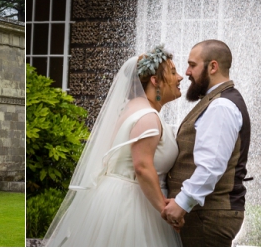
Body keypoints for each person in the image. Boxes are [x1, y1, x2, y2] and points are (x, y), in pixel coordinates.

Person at [43, 44, 184, 247]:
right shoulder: (147, 117)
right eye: (173, 72)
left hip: (114, 198)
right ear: (155, 81)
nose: (179, 77)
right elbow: (142, 168)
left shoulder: (131, 108)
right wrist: (166, 211)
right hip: (133, 205)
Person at [163, 41, 252, 247]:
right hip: (206, 215)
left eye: (192, 65)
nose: (187, 72)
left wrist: (182, 203)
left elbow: (211, 165)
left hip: (208, 218)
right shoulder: (218, 101)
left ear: (213, 67)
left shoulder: (221, 106)